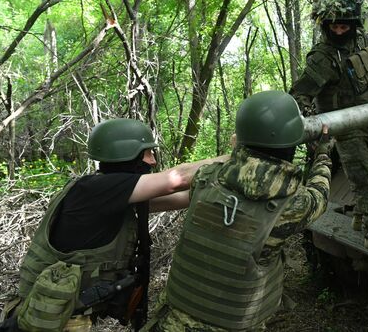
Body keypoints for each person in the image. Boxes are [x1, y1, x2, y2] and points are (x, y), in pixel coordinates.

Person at [0, 118, 227, 332]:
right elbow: (178, 180)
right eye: (148, 154)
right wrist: (239, 156)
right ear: (127, 153)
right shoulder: (95, 190)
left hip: (58, 315)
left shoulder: (110, 196)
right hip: (45, 318)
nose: (153, 161)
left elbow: (183, 198)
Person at [142, 90, 333, 331]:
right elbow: (320, 194)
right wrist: (323, 153)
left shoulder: (206, 177)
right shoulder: (294, 204)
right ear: (293, 144)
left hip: (172, 321)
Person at [290, 0, 368, 255]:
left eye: (345, 27)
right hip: (345, 128)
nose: (339, 32)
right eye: (335, 27)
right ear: (326, 25)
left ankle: (362, 214)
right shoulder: (323, 57)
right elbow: (300, 94)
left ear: (354, 25)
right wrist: (312, 130)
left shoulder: (361, 41)